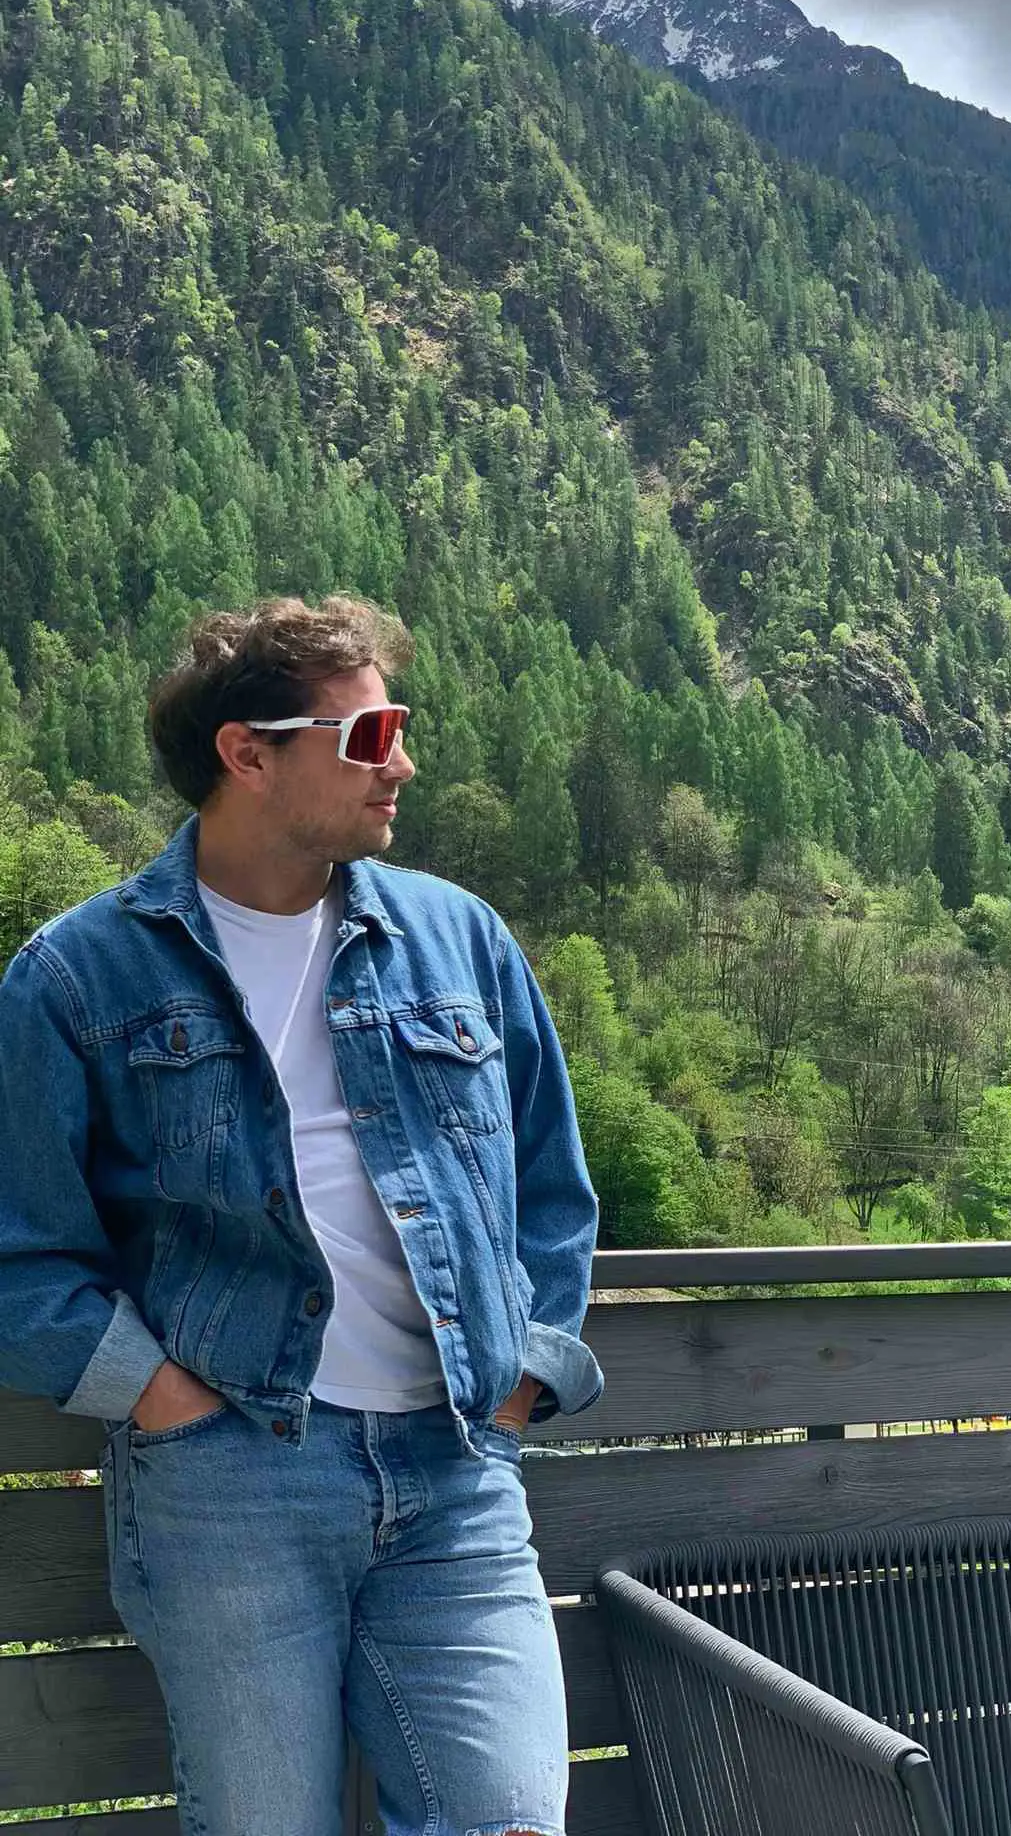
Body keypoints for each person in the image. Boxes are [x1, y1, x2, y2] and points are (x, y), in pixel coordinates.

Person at [0, 596, 603, 1836]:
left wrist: (520, 1381)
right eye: (371, 733)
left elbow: (549, 1191)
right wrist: (161, 1398)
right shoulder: (76, 974)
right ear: (249, 753)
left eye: (400, 726)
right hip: (230, 1487)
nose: (403, 762)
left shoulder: (460, 939)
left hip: (456, 1472)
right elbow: (20, 1253)